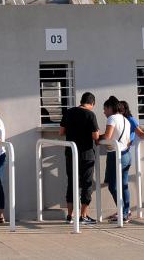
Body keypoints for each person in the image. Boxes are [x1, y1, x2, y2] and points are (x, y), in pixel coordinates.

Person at [59, 92, 99, 224]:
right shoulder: (90, 115)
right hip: (86, 154)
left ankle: (70, 216)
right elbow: (95, 137)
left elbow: (61, 132)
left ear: (81, 101)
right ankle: (83, 215)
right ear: (92, 103)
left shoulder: (69, 112)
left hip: (70, 153)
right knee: (87, 184)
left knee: (71, 182)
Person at [100, 96, 132, 222]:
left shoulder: (112, 118)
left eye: (105, 109)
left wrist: (98, 139)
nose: (104, 112)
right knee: (123, 185)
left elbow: (107, 137)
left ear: (110, 108)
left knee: (113, 186)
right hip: (126, 154)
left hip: (115, 154)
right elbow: (128, 141)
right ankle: (126, 211)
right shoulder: (126, 120)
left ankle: (123, 211)